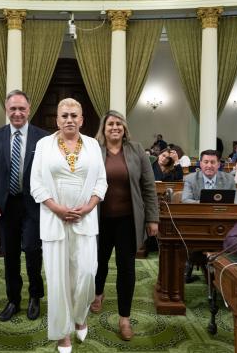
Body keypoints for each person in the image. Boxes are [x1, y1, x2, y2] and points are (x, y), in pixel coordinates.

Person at [30, 98, 107, 353]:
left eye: (74, 115)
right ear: (57, 120)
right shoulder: (43, 145)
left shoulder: (94, 145)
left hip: (85, 219)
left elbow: (101, 182)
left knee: (86, 273)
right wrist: (57, 209)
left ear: (82, 119)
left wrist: (88, 206)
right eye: (64, 115)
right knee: (58, 278)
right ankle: (63, 333)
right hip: (54, 220)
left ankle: (80, 313)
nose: (69, 119)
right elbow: (36, 184)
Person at [90, 111, 158, 341]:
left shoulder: (136, 150)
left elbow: (148, 186)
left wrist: (153, 218)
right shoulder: (94, 150)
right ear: (104, 128)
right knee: (98, 263)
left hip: (128, 219)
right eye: (110, 123)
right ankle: (98, 293)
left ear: (124, 128)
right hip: (99, 219)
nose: (115, 127)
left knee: (126, 268)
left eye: (119, 123)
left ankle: (124, 318)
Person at [0, 90, 49, 322]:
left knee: (32, 251)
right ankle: (13, 300)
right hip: (6, 206)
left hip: (33, 205)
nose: (18, 113)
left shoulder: (43, 138)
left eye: (22, 108)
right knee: (9, 255)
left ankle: (34, 297)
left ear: (29, 110)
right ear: (6, 110)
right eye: (13, 109)